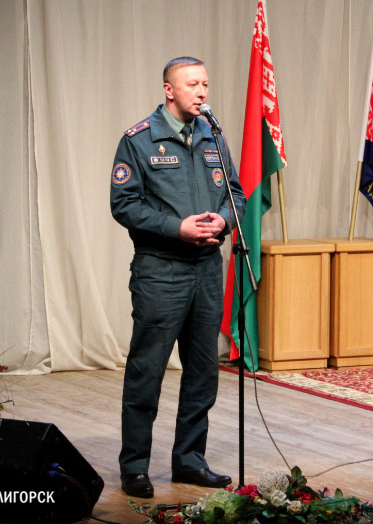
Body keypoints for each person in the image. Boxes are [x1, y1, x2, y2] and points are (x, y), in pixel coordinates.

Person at [110, 57, 246, 498]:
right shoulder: (139, 140)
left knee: (203, 372)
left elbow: (235, 193)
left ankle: (189, 460)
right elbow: (124, 205)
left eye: (205, 83)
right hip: (161, 272)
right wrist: (177, 228)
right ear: (169, 90)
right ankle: (134, 467)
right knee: (147, 372)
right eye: (192, 84)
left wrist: (224, 221)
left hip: (207, 270)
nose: (202, 92)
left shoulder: (212, 135)